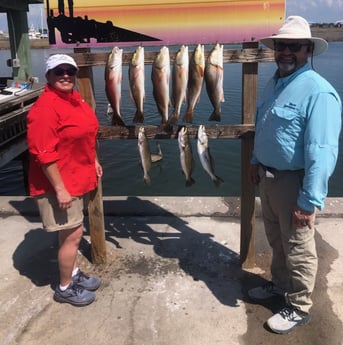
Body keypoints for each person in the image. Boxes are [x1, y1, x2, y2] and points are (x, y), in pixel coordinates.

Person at [249, 16, 342, 334]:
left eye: (294, 47)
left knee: (299, 245)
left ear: (308, 50)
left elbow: (322, 151)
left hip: (295, 183)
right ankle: (279, 284)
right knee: (276, 240)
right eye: (280, 45)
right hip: (269, 177)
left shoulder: (319, 92)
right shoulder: (276, 81)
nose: (285, 52)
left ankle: (299, 306)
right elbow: (265, 125)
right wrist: (254, 161)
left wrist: (310, 200)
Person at [27, 54, 103, 307]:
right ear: (48, 76)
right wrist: (60, 189)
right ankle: (65, 287)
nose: (65, 76)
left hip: (77, 176)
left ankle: (72, 272)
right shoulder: (45, 108)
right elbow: (44, 154)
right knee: (72, 236)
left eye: (69, 71)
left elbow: (85, 134)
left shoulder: (75, 99)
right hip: (59, 184)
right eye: (58, 72)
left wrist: (93, 161)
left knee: (71, 232)